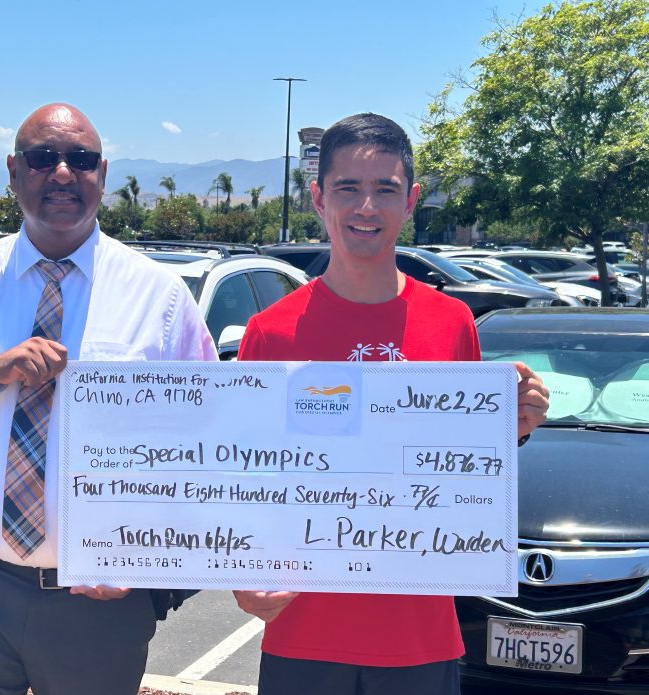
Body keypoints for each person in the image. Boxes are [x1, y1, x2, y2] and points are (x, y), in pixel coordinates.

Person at [0, 102, 217, 695]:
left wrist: (147, 561)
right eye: (42, 158)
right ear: (13, 171)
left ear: (102, 174)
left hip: (100, 596)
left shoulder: (158, 296)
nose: (61, 173)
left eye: (80, 159)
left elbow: (202, 440)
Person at [232, 113, 550, 695]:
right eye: (348, 189)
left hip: (420, 637)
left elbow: (461, 462)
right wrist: (243, 574)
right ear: (318, 198)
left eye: (386, 189)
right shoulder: (270, 334)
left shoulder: (452, 322)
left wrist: (515, 425)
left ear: (412, 201)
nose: (366, 207)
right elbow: (248, 473)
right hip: (303, 634)